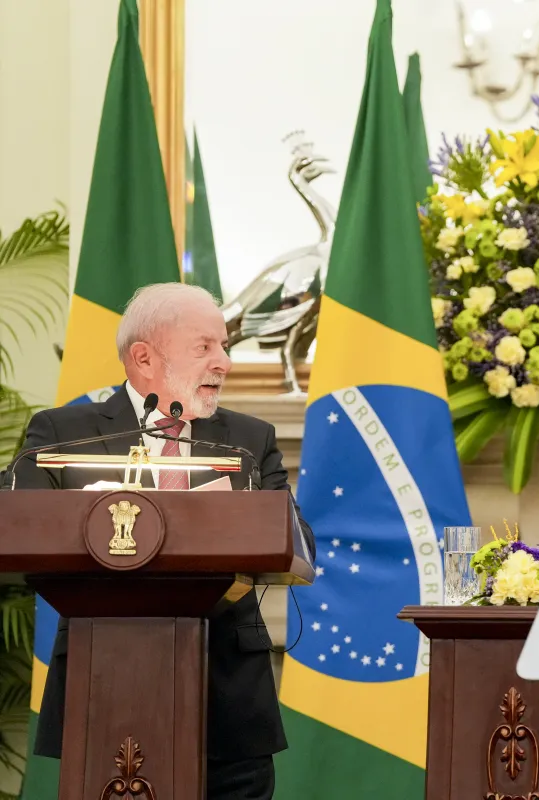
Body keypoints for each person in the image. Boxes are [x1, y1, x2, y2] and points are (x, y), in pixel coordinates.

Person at [2, 283, 314, 800]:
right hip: (101, 686)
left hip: (230, 701)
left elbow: (301, 546)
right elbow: (15, 525)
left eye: (223, 346)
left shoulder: (249, 440)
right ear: (143, 357)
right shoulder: (63, 434)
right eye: (204, 347)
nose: (224, 362)